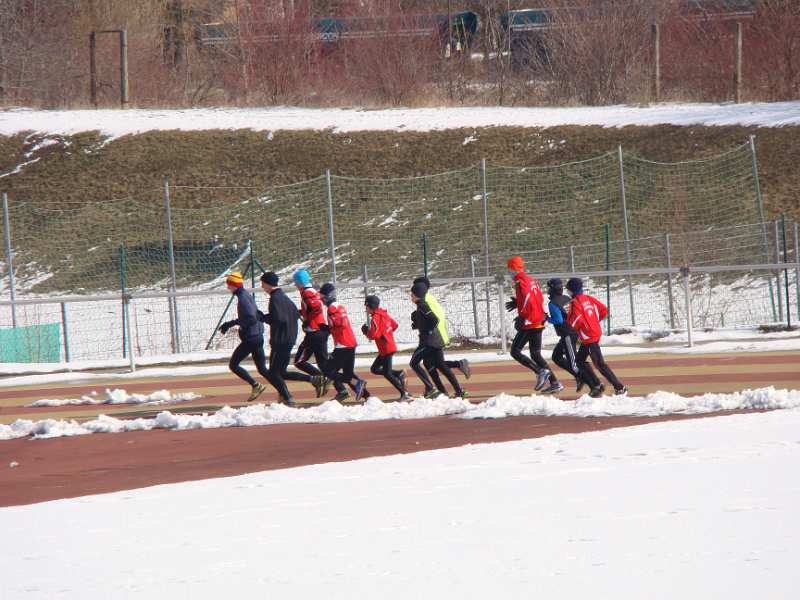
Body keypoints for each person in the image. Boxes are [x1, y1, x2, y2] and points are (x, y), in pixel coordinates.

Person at [505, 256, 561, 393]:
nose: (509, 273)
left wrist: (522, 316)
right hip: (538, 319)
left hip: (531, 321)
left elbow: (528, 300)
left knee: (515, 351)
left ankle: (540, 371)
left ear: (514, 269)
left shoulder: (520, 281)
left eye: (509, 270)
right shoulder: (531, 280)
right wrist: (518, 303)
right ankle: (555, 382)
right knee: (535, 354)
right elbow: (538, 298)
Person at [566, 277, 628, 397]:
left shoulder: (575, 303)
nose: (567, 292)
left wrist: (573, 325)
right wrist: (594, 321)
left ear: (571, 290)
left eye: (568, 290)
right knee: (579, 361)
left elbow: (575, 321)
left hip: (589, 337)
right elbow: (603, 309)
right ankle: (597, 385)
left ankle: (620, 387)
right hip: (593, 333)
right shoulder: (587, 298)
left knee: (600, 364)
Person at [256, 271, 309, 407]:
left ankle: (288, 397)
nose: (262, 287)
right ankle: (287, 393)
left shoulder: (275, 298)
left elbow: (278, 319)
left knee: (273, 373)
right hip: (289, 338)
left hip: (280, 341)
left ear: (268, 284)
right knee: (281, 372)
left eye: (263, 283)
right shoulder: (284, 297)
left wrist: (262, 317)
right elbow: (294, 313)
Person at [291, 269, 344, 398]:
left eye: (296, 282)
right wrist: (301, 313)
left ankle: (321, 379)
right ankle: (341, 390)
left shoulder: (307, 292)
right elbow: (312, 308)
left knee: (299, 361)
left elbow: (316, 307)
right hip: (318, 332)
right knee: (323, 364)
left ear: (300, 282)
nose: (295, 285)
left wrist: (308, 320)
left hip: (314, 332)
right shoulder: (310, 291)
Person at [409, 281, 467, 399]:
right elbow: (427, 320)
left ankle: (431, 389)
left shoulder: (423, 305)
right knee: (439, 365)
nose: (411, 296)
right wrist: (418, 324)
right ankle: (458, 391)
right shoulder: (421, 305)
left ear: (417, 295)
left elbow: (434, 319)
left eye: (412, 294)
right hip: (435, 340)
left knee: (413, 363)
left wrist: (428, 331)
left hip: (429, 342)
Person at [219, 271, 269, 402]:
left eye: (229, 285)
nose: (228, 287)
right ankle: (284, 392)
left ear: (234, 285)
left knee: (233, 365)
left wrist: (231, 323)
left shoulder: (242, 298)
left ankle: (256, 385)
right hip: (257, 336)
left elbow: (251, 318)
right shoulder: (245, 294)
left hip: (251, 338)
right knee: (263, 369)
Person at [546, 278, 600, 397]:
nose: (547, 290)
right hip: (573, 331)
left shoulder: (552, 303)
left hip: (567, 334)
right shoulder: (566, 298)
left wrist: (546, 318)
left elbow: (559, 320)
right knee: (556, 356)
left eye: (548, 287)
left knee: (574, 364)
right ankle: (579, 377)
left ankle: (594, 385)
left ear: (553, 289)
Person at [317, 283, 368, 402]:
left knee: (327, 371)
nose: (321, 299)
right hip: (350, 343)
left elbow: (341, 324)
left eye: (322, 296)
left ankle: (357, 383)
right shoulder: (339, 306)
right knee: (347, 374)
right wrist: (328, 328)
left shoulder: (332, 308)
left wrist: (328, 329)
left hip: (343, 345)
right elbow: (339, 324)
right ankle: (368, 396)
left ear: (328, 296)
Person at [361, 295, 410, 401]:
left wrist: (366, 332)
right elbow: (395, 325)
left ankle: (405, 394)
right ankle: (399, 373)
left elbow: (373, 335)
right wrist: (386, 333)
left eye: (366, 306)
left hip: (386, 348)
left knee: (387, 373)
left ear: (371, 306)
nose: (366, 309)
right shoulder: (384, 314)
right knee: (374, 369)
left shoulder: (375, 318)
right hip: (387, 347)